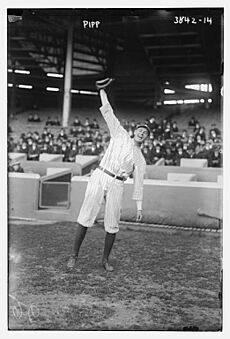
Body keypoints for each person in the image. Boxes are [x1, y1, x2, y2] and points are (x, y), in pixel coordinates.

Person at [67, 78, 150, 272]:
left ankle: (105, 260)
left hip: (117, 183)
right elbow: (107, 110)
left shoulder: (140, 159)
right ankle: (73, 255)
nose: (141, 133)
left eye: (145, 133)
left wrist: (139, 207)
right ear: (134, 131)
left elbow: (139, 183)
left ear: (146, 138)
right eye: (140, 130)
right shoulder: (119, 133)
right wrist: (102, 91)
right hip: (101, 175)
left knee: (112, 221)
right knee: (86, 214)